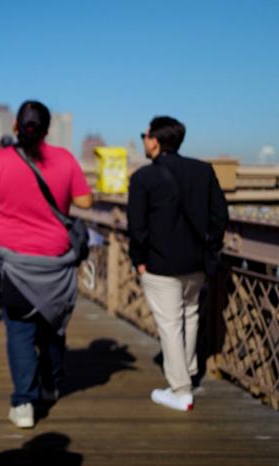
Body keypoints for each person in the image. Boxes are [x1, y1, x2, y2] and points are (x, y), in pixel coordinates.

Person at [0, 101, 92, 429]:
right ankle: (51, 385)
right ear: (47, 129)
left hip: (16, 266)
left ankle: (24, 402)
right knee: (54, 326)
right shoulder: (65, 159)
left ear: (16, 127)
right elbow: (85, 200)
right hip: (57, 265)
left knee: (20, 331)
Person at [128, 116, 228, 412]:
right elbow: (220, 216)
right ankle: (189, 371)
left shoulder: (143, 178)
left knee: (170, 324)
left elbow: (137, 227)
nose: (144, 140)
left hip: (160, 265)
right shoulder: (203, 170)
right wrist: (210, 247)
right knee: (190, 315)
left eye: (145, 135)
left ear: (154, 141)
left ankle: (181, 390)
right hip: (196, 263)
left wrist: (139, 261)